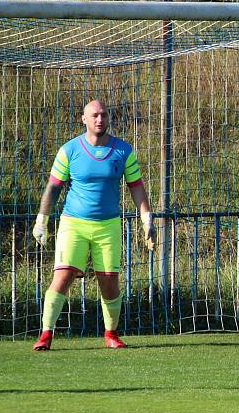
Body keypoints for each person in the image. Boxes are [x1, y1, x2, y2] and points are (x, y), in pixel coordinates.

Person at [31, 100, 156, 351]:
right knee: (63, 275)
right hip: (73, 223)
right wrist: (41, 221)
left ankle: (111, 334)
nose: (100, 119)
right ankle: (45, 334)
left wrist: (147, 220)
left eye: (104, 115)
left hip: (108, 225)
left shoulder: (123, 150)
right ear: (83, 119)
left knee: (109, 280)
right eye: (94, 115)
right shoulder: (69, 150)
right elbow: (53, 187)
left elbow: (137, 187)